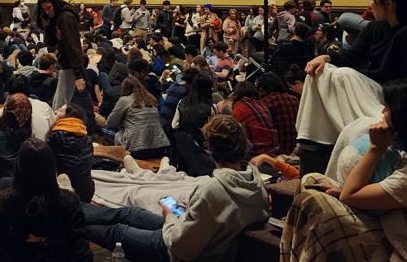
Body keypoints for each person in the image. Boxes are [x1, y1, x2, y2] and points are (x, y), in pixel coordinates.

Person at [281, 78, 407, 261]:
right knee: (311, 180)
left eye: (387, 108)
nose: (382, 112)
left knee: (313, 200)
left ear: (405, 117)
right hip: (398, 224)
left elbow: (350, 195)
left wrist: (376, 148)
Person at [81, 115, 269, 262]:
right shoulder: (255, 182)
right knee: (132, 213)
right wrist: (182, 215)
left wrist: (171, 217)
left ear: (210, 149)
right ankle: (75, 210)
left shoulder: (214, 189)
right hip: (193, 233)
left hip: (181, 251)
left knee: (119, 231)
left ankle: (71, 219)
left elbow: (181, 247)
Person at [0, 138, 93, 262]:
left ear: (18, 167)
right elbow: (82, 254)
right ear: (52, 168)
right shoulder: (70, 201)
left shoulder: (1, 201)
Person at [37, 0, 87, 109]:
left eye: (49, 8)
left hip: (70, 65)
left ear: (55, 4)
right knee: (59, 103)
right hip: (65, 63)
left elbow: (73, 46)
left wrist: (78, 75)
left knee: (60, 106)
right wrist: (47, 26)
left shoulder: (66, 18)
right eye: (44, 9)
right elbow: (52, 43)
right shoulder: (57, 17)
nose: (47, 11)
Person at [106, 77, 171, 160]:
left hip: (136, 149)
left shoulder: (124, 100)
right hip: (159, 147)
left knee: (105, 128)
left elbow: (110, 123)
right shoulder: (151, 99)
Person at [46, 103, 95, 203]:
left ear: (67, 117)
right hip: (87, 192)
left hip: (62, 194)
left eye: (60, 110)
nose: (56, 112)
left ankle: (68, 193)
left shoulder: (54, 137)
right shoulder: (88, 139)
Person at [230, 82, 280, 156]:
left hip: (255, 151)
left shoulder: (238, 107)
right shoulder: (261, 104)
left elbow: (236, 133)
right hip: (273, 148)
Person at [256, 73, 300, 154]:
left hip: (278, 150)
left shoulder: (266, 102)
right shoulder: (294, 99)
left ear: (263, 88)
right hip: (296, 148)